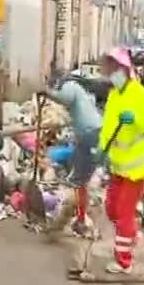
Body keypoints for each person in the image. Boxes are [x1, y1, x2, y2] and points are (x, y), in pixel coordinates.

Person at [98, 47, 144, 275]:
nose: (112, 73)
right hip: (117, 166)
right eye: (109, 68)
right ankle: (131, 233)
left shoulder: (137, 93)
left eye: (116, 68)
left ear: (125, 69)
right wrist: (101, 149)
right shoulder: (115, 95)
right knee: (111, 209)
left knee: (123, 214)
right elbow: (108, 127)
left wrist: (136, 119)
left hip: (134, 169)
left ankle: (124, 261)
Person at [46, 77, 103, 237]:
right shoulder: (83, 94)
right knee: (81, 182)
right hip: (90, 136)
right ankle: (80, 218)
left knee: (77, 181)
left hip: (90, 136)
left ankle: (68, 220)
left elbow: (63, 98)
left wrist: (47, 92)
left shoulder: (70, 86)